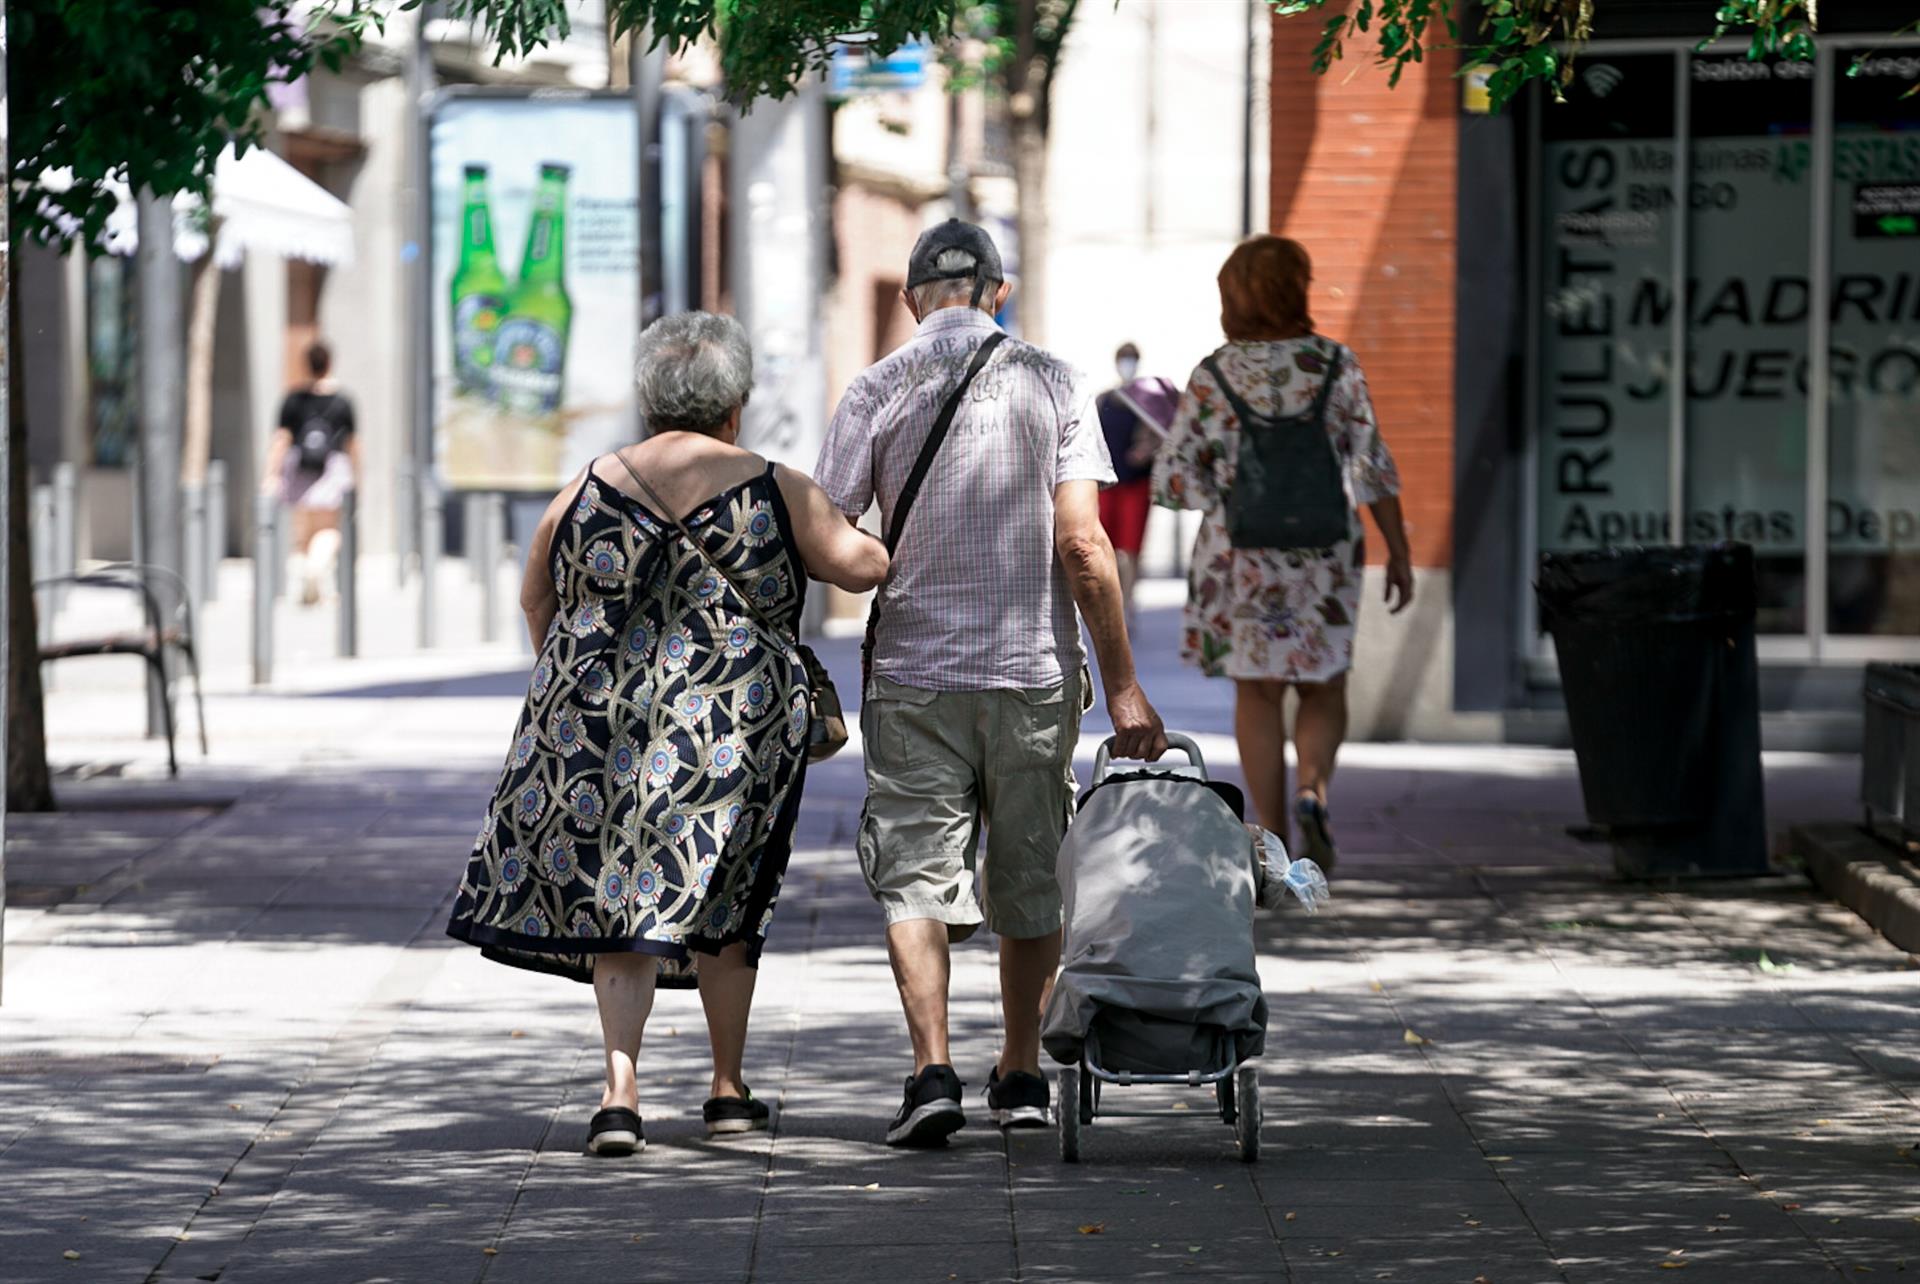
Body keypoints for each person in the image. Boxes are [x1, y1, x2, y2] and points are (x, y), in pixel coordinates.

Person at [446, 312, 888, 1156]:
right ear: (735, 406)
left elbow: (537, 596)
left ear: (648, 401)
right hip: (734, 731)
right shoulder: (774, 486)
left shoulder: (586, 486)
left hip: (604, 725)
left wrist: (577, 682)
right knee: (731, 896)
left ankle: (619, 1095)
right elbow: (860, 566)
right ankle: (726, 1089)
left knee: (622, 901)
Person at [815, 220, 1168, 1149]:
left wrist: (879, 563)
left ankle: (931, 1072)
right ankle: (1019, 1074)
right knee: (1031, 877)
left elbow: (831, 536)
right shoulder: (1056, 382)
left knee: (913, 880)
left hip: (914, 677)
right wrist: (1124, 687)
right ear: (999, 293)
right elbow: (1083, 543)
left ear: (911, 300)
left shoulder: (874, 388)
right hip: (1031, 675)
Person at [1152, 235, 1413, 875]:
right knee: (1323, 684)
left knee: (1259, 693)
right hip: (1324, 552)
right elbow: (1371, 465)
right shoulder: (1335, 365)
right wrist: (1400, 550)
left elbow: (1173, 481)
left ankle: (1272, 838)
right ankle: (1312, 792)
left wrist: (1221, 485)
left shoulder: (1214, 376)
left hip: (1240, 556)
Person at [260, 341, 359, 605]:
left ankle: (307, 579)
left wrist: (270, 474)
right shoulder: (342, 402)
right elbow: (353, 444)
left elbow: (281, 439)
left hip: (299, 468)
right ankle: (316, 571)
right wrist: (356, 476)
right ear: (329, 364)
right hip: (332, 468)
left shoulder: (293, 400)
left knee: (302, 532)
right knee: (329, 529)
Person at [1094, 343, 1179, 612]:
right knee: (1105, 545)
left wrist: (1146, 451)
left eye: (1131, 359)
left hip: (1136, 483)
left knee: (1131, 547)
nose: (1127, 364)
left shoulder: (1148, 399)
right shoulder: (1104, 399)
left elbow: (1166, 434)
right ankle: (1110, 599)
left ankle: (1127, 603)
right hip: (1107, 484)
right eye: (1124, 359)